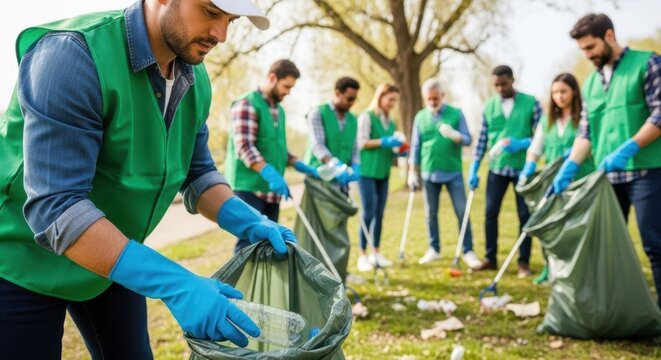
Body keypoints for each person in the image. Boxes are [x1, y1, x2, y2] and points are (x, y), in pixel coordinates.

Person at [0, 1, 298, 358]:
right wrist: (176, 284)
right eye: (210, 12)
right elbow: (57, 208)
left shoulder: (193, 77)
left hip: (113, 253)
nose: (222, 35)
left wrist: (249, 220)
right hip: (21, 261)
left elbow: (198, 172)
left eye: (230, 20)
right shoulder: (71, 56)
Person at [553, 13, 661, 307]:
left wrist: (630, 146)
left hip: (647, 171)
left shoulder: (647, 63)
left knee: (655, 244)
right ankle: (614, 309)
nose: (587, 55)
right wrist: (570, 165)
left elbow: (660, 113)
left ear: (609, 36)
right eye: (583, 50)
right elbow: (586, 132)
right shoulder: (589, 85)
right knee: (607, 246)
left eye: (590, 47)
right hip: (608, 176)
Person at [225, 59, 316, 253]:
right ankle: (237, 285)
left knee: (268, 246)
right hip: (249, 189)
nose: (288, 92)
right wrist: (268, 172)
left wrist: (297, 163)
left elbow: (277, 147)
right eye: (286, 86)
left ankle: (259, 285)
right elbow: (244, 147)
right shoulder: (247, 104)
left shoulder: (279, 110)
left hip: (271, 192)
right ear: (272, 78)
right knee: (247, 247)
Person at [519, 72, 595, 284]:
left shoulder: (583, 119)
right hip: (553, 184)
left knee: (579, 229)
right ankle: (549, 268)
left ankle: (581, 270)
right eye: (554, 92)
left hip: (581, 181)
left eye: (563, 91)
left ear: (574, 92)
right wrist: (529, 166)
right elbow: (535, 148)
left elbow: (591, 146)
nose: (559, 96)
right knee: (552, 228)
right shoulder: (547, 121)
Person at [468, 65, 543, 277]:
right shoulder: (489, 105)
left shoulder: (531, 103)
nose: (500, 88)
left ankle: (523, 263)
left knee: (524, 215)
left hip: (523, 169)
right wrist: (474, 168)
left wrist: (523, 143)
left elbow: (542, 135)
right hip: (497, 169)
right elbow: (482, 139)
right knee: (490, 213)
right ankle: (490, 258)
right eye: (496, 85)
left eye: (504, 84)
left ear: (513, 80)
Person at [407, 79, 481, 268]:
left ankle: (468, 250)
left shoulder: (456, 113)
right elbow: (415, 145)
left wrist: (455, 135)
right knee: (430, 213)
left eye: (435, 98)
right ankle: (434, 249)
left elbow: (467, 139)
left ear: (443, 96)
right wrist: (411, 171)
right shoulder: (421, 117)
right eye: (428, 99)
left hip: (452, 171)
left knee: (461, 210)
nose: (432, 102)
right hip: (428, 171)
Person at [356, 83, 404, 272]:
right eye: (390, 99)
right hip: (366, 172)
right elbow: (361, 142)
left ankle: (376, 252)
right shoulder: (367, 117)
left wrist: (399, 151)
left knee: (380, 212)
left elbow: (390, 148)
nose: (392, 103)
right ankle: (362, 254)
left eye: (395, 100)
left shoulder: (390, 122)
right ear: (380, 96)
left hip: (383, 172)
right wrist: (383, 142)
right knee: (368, 211)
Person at [304, 76, 361, 190]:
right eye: (349, 98)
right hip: (319, 178)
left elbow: (354, 148)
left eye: (355, 99)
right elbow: (317, 145)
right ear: (338, 93)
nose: (352, 103)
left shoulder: (353, 120)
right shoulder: (318, 113)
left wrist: (356, 165)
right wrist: (335, 166)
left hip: (341, 180)